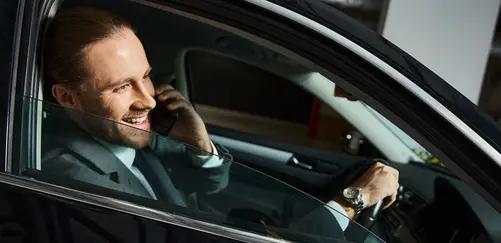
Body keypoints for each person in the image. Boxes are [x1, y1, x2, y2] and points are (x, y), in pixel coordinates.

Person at [41, 6, 399, 241]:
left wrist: (198, 144)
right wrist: (356, 198)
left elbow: (208, 186)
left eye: (146, 77)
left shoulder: (122, 134)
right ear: (68, 98)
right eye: (121, 86)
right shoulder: (76, 181)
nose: (148, 99)